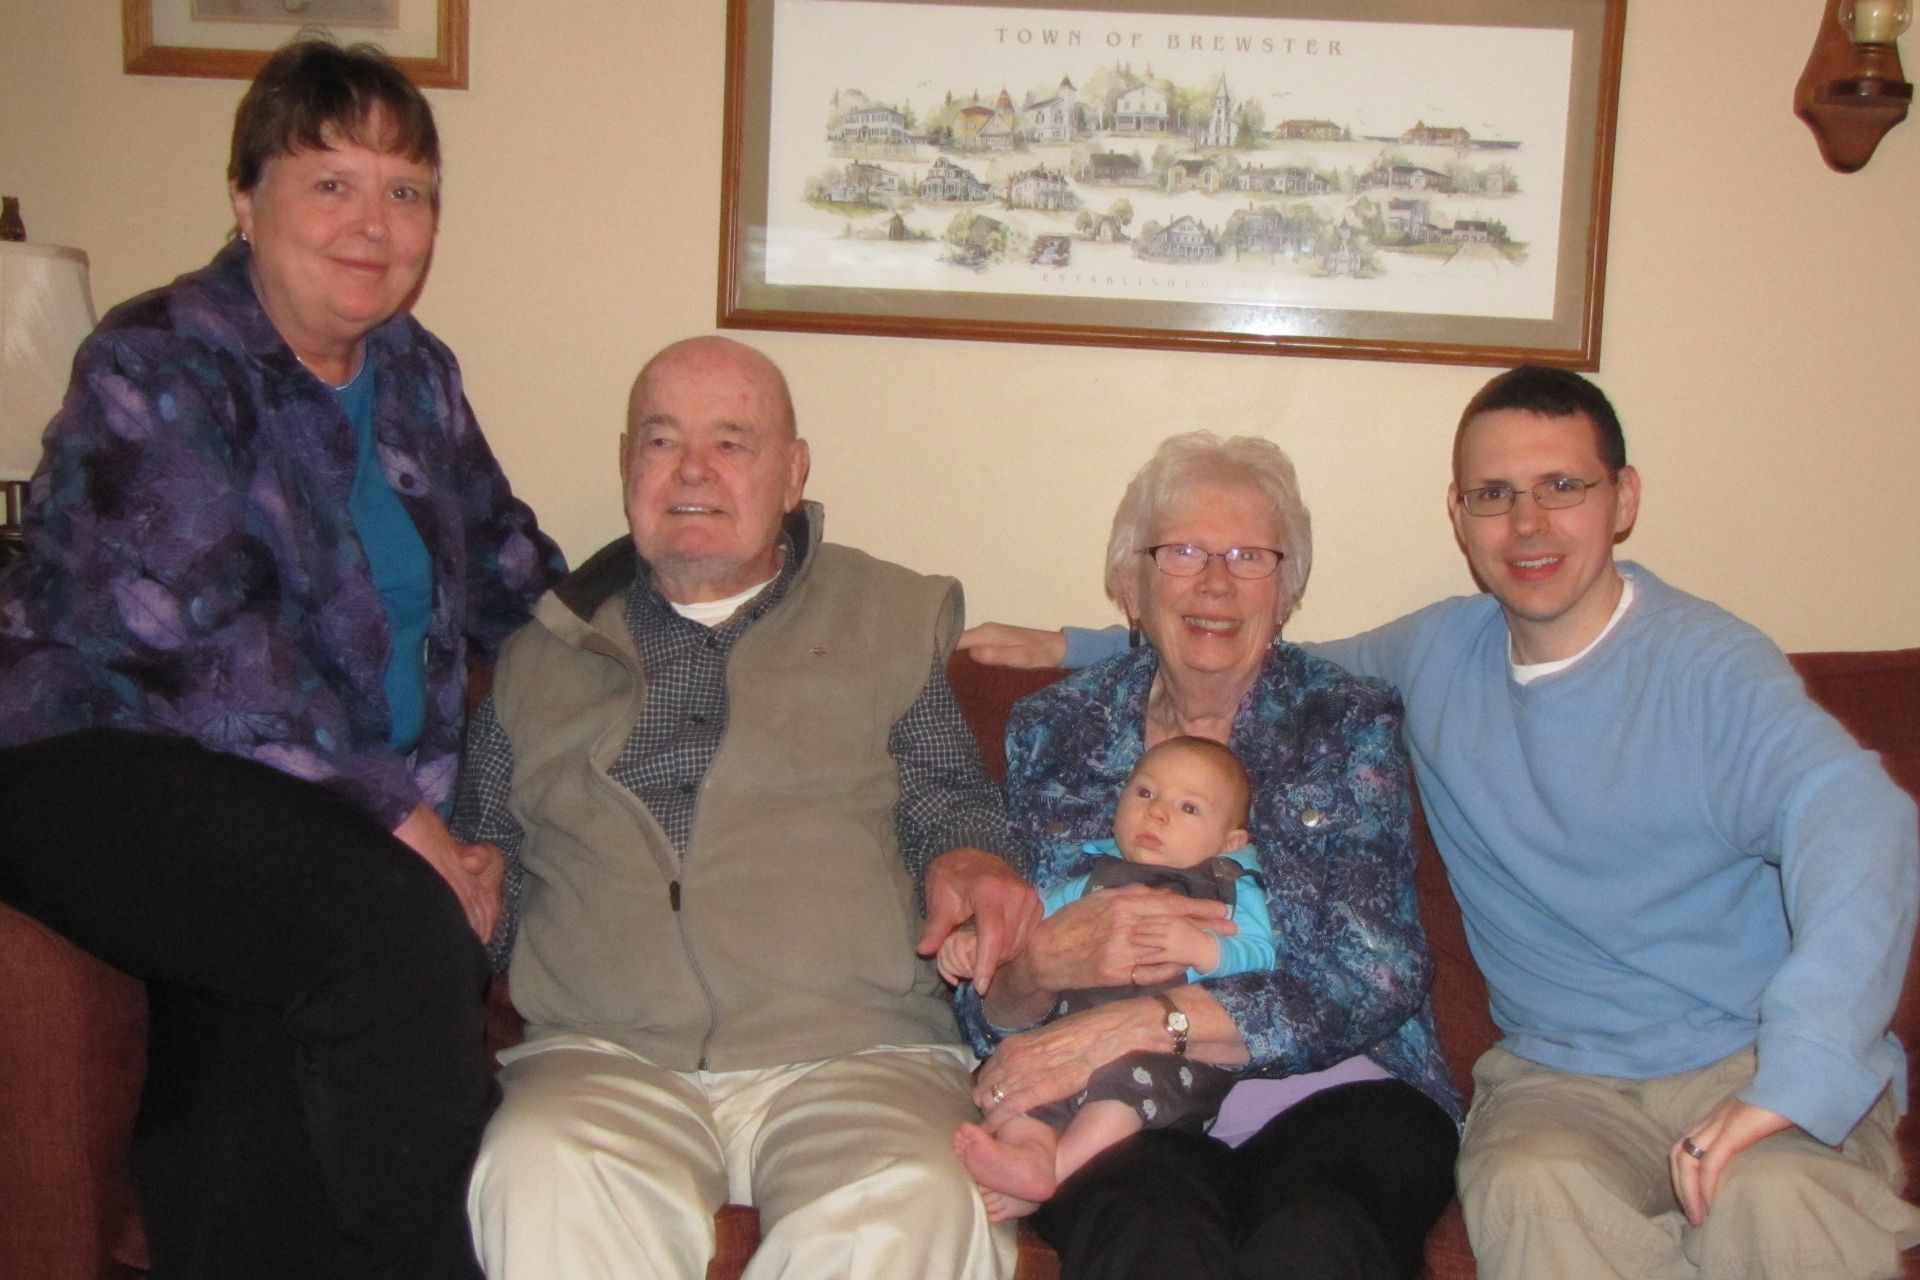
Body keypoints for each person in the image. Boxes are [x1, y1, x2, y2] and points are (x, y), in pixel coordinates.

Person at [962, 366, 1920, 1280]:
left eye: (1562, 486)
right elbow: (1220, 639)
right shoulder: (1439, 652)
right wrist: (1081, 645)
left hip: (1742, 1051)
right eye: (1495, 495)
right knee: (1526, 1188)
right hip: (1559, 1080)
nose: (1528, 523)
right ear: (1459, 516)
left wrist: (1802, 1072)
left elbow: (1862, 820)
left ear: (1623, 499)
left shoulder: (1705, 667)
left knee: (1775, 1196)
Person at [0, 39, 564, 1280]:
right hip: (98, 763)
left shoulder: (415, 374)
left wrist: (706, 622)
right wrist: (410, 827)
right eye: (332, 183)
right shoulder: (158, 360)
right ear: (245, 200)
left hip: (301, 816)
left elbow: (517, 575)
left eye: (406, 190)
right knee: (394, 931)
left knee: (244, 1106)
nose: (375, 223)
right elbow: (216, 644)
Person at [453, 335, 1040, 1280]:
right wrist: (467, 897)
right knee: (538, 1172)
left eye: (732, 441)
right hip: (606, 1053)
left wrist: (969, 857)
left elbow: (949, 798)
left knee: (911, 1199)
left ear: (794, 472)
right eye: (662, 441)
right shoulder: (537, 658)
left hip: (855, 1049)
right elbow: (491, 866)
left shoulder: (889, 617)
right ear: (627, 464)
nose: (692, 470)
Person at [954, 431, 1462, 1280]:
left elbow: (1379, 972)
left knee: (1318, 1234)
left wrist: (1154, 1019)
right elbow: (988, 1003)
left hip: (1338, 1087)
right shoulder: (1059, 729)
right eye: (1183, 551)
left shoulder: (1342, 721)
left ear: (1286, 592)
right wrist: (1033, 968)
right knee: (1146, 1233)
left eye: (1250, 556)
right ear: (1133, 583)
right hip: (1113, 1103)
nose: (1217, 582)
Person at [940, 734, 1276, 1222]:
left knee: (1121, 1093)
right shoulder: (1091, 881)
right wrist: (976, 941)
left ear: (1231, 842)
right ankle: (1028, 1160)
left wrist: (1202, 948)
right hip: (1062, 1040)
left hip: (1164, 1056)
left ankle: (1057, 1168)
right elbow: (1024, 927)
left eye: (1188, 808)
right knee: (1025, 1093)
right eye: (1145, 793)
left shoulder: (1231, 891)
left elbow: (1263, 957)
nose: (1157, 813)